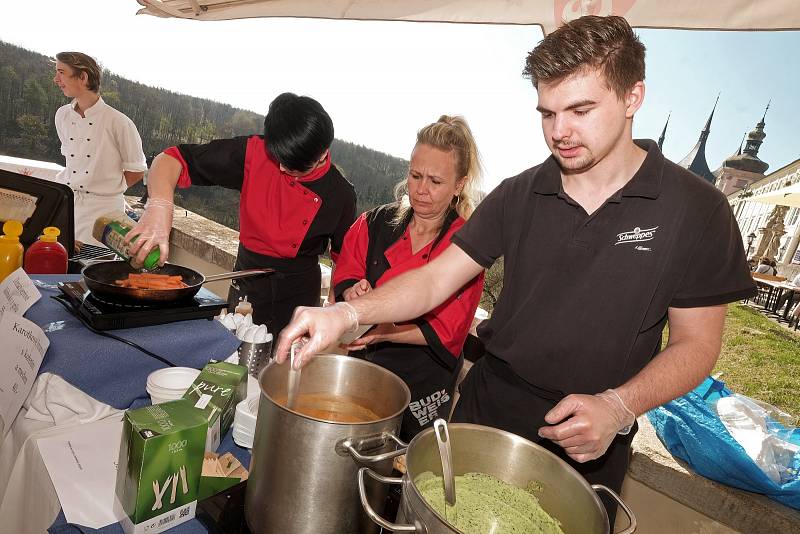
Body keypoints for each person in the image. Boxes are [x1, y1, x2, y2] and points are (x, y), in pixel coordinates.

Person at [275, 15, 757, 522]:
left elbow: (697, 345)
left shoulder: (697, 211)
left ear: (633, 97)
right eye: (546, 113)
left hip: (593, 436)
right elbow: (437, 277)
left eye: (580, 110)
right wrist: (347, 317)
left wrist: (618, 407)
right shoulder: (519, 193)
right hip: (487, 410)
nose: (559, 133)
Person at [127, 93, 356, 335]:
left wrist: (333, 305)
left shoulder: (341, 194)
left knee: (284, 366)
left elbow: (343, 260)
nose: (280, 167)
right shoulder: (253, 153)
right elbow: (171, 159)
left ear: (322, 154)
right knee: (233, 350)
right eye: (277, 157)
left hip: (298, 294)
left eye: (291, 166)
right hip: (248, 278)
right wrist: (160, 207)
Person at [334, 116, 485, 441]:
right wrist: (352, 291)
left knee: (407, 460)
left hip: (423, 380)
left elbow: (449, 328)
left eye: (435, 181)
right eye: (415, 175)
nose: (421, 189)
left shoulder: (466, 248)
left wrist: (382, 331)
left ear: (458, 185)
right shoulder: (374, 223)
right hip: (367, 367)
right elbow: (346, 272)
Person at [52, 51, 146, 246]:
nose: (56, 79)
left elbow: (136, 170)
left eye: (61, 72)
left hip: (103, 212)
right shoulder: (62, 115)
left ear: (83, 77)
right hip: (66, 205)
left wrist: (106, 187)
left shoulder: (119, 122)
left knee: (90, 270)